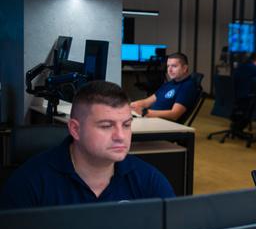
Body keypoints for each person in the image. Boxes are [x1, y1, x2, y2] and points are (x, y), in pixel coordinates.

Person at [0, 81, 175, 209]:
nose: (120, 136)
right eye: (106, 126)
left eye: (126, 125)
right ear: (75, 129)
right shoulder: (28, 184)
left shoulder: (149, 181)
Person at [129, 52, 198, 122]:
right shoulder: (168, 84)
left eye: (174, 66)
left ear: (184, 68)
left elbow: (174, 114)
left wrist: (146, 112)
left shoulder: (187, 87)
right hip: (151, 119)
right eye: (168, 66)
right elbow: (147, 102)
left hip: (162, 123)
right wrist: (128, 106)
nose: (169, 70)